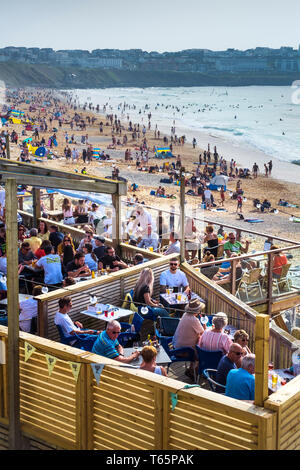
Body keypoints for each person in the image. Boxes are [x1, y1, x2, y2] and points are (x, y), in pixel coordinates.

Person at [173, 298, 206, 379]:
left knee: (197, 340)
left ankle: (191, 369)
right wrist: (204, 324)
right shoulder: (194, 320)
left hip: (176, 346)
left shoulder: (185, 315)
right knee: (203, 352)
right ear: (198, 310)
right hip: (183, 351)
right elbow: (204, 333)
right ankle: (194, 370)